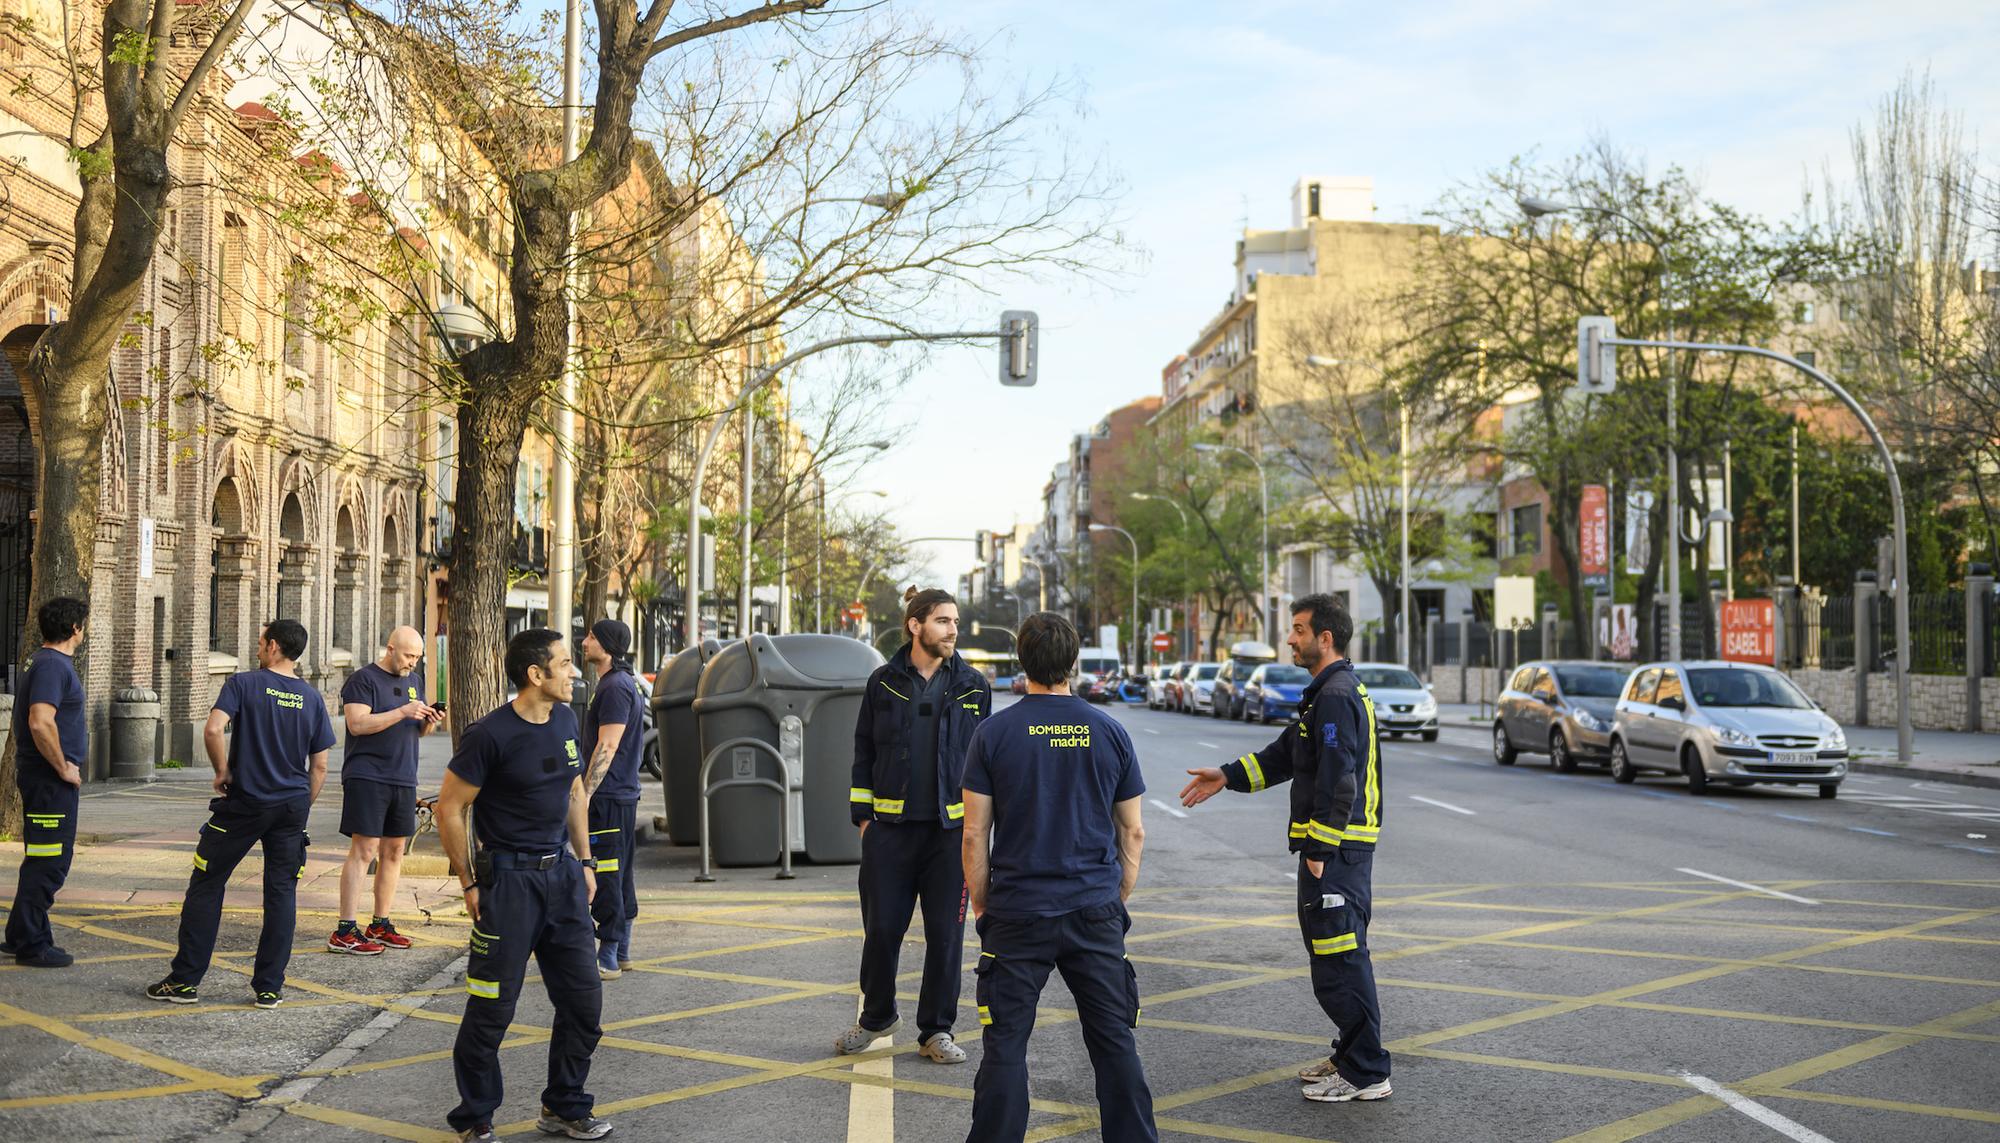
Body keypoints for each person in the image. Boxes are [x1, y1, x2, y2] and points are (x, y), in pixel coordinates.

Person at [1180, 593, 1391, 1104]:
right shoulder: (1326, 695)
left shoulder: (1337, 695)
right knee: (1333, 960)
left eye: (1298, 630)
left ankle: (1366, 1072)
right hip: (1336, 852)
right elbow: (1286, 756)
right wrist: (1226, 776)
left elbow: (1339, 778)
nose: (1290, 639)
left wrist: (1319, 846)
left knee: (1341, 961)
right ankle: (1351, 1054)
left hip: (1337, 854)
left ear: (1325, 637)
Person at [961, 610, 1156, 1143]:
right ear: (1073, 662)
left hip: (1018, 912)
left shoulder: (993, 734)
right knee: (1115, 1043)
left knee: (1005, 1045)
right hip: (1093, 911)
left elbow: (975, 835)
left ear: (1021, 664)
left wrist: (984, 907)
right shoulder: (1110, 732)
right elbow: (1132, 834)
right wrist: (1112, 899)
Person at [435, 629, 610, 1143]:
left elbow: (574, 791)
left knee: (584, 1003)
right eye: (563, 663)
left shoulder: (564, 720)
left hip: (562, 881)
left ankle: (564, 1105)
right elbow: (450, 807)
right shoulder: (489, 735)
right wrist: (469, 881)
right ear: (536, 675)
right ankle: (476, 1116)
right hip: (508, 884)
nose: (573, 671)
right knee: (491, 1009)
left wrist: (585, 861)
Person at [835, 587, 992, 1065]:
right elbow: (863, 750)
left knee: (946, 936)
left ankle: (936, 1031)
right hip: (891, 831)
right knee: (882, 930)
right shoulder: (883, 681)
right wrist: (864, 819)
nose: (953, 630)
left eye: (956, 622)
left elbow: (985, 762)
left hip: (951, 835)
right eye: (943, 621)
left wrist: (980, 832)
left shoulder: (973, 685)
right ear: (915, 625)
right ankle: (877, 1018)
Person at [147, 619, 335, 1009]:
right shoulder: (313, 699)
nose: (258, 646)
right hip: (291, 806)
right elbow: (319, 767)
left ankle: (185, 981)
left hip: (245, 803)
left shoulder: (243, 684)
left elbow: (214, 730)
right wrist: (300, 809)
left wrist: (222, 771)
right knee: (281, 895)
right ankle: (269, 988)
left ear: (274, 648)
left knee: (207, 883)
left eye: (262, 641)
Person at [329, 626, 442, 955]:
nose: (413, 663)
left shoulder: (414, 681)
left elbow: (415, 730)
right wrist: (403, 711)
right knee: (364, 851)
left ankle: (380, 923)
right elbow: (358, 724)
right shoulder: (363, 680)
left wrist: (429, 719)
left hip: (404, 776)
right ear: (390, 648)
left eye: (418, 658)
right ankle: (345, 929)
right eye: (409, 656)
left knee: (394, 852)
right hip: (368, 775)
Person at [3, 596, 90, 968]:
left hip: (42, 779)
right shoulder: (54, 666)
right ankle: (32, 945)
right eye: (83, 625)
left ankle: (22, 932)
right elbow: (41, 721)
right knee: (51, 862)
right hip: (49, 781)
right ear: (75, 628)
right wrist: (62, 767)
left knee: (41, 858)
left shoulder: (44, 662)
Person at [580, 618, 643, 980]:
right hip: (619, 795)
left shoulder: (615, 687)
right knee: (619, 872)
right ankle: (622, 950)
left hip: (609, 796)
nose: (585, 641)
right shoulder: (615, 683)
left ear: (606, 644)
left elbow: (608, 744)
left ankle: (608, 955)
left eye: (591, 636)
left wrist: (586, 794)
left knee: (606, 872)